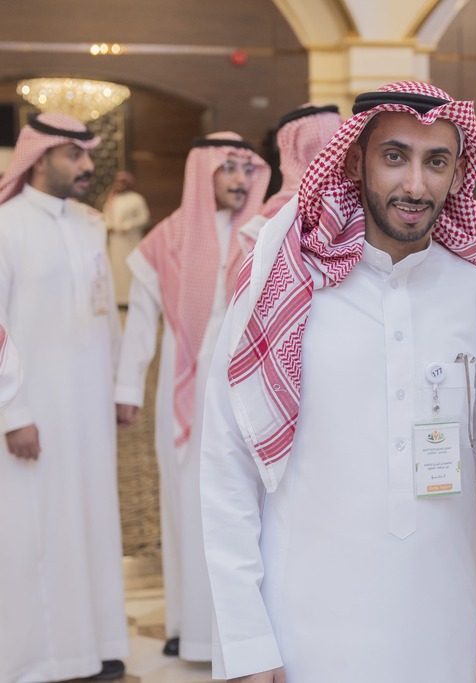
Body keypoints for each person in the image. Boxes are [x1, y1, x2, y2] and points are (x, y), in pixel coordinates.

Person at [200, 81, 476, 682]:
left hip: (439, 615)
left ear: (457, 174)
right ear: (355, 161)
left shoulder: (475, 293)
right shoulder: (284, 285)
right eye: (395, 156)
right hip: (306, 620)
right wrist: (245, 640)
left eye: (436, 162)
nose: (415, 185)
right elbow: (227, 464)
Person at [114, 132, 269, 660]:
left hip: (247, 382)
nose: (240, 180)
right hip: (187, 386)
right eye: (228, 168)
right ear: (203, 173)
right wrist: (128, 388)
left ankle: (239, 631)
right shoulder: (167, 239)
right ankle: (190, 626)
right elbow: (142, 323)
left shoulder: (261, 232)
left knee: (243, 503)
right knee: (187, 502)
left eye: (247, 169)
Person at [0, 112, 127, 682]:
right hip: (33, 411)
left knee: (92, 520)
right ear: (39, 158)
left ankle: (96, 645)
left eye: (87, 154)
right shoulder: (6, 227)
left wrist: (120, 387)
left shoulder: (89, 224)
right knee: (36, 529)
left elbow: (105, 315)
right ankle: (39, 658)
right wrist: (14, 413)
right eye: (74, 155)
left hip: (89, 408)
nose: (86, 165)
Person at [237, 104, 342, 249]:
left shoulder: (261, 225)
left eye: (333, 148)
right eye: (312, 151)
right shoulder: (262, 227)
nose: (326, 163)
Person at [103, 170, 150, 305]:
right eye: (117, 182)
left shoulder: (136, 199)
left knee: (131, 267)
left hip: (131, 241)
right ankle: (119, 298)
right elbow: (106, 216)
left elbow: (144, 218)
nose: (119, 185)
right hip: (116, 242)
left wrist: (128, 225)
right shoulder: (112, 200)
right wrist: (109, 225)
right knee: (117, 268)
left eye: (122, 182)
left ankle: (132, 298)